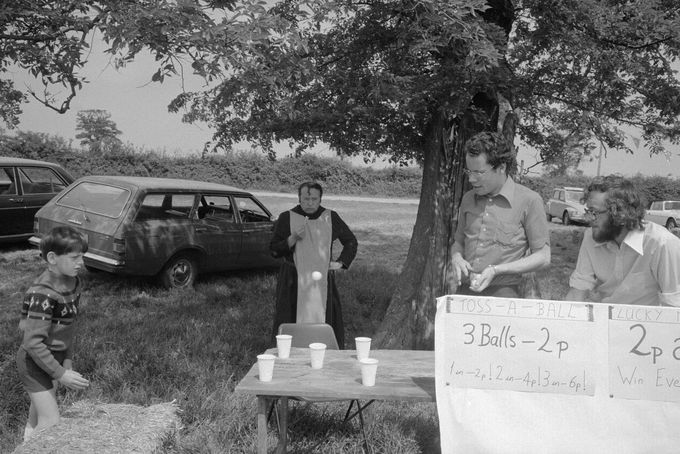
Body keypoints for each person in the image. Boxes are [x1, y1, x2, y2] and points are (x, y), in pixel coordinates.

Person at [451, 132, 551, 297]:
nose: (471, 179)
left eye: (479, 172)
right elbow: (458, 242)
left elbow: (543, 257)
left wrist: (495, 271)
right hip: (465, 291)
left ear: (501, 167)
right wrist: (457, 257)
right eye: (468, 171)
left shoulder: (529, 200)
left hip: (505, 294)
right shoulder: (468, 199)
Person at [16, 226, 90, 440]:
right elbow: (32, 343)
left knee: (37, 418)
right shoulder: (43, 293)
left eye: (82, 256)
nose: (81, 262)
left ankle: (27, 441)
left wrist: (66, 360)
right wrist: (61, 374)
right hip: (34, 362)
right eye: (75, 257)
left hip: (54, 358)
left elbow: (68, 325)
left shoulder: (73, 283)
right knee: (51, 421)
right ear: (52, 258)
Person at [565, 176, 680, 306]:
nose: (588, 218)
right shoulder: (590, 236)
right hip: (603, 321)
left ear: (621, 214)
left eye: (594, 212)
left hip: (647, 323)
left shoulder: (662, 244)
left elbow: (674, 307)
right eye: (588, 211)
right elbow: (578, 290)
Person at [270, 182, 358, 348]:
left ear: (320, 199)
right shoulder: (286, 217)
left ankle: (325, 350)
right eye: (306, 198)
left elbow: (351, 241)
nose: (310, 203)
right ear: (299, 198)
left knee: (324, 315)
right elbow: (274, 250)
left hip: (322, 280)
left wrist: (341, 263)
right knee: (290, 316)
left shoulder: (330, 217)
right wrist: (293, 238)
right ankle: (288, 352)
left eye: (314, 199)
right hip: (293, 279)